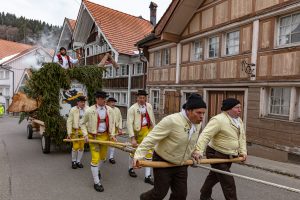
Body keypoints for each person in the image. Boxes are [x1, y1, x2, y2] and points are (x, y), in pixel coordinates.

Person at [133, 93, 207, 200]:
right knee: (159, 193)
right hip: (163, 161)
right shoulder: (172, 120)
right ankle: (144, 198)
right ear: (188, 110)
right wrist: (138, 155)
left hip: (181, 163)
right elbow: (151, 138)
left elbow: (192, 140)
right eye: (199, 112)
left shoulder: (197, 123)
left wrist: (196, 151)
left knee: (180, 195)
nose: (202, 116)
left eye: (203, 113)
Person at [192, 98, 247, 200]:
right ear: (228, 109)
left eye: (240, 107)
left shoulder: (239, 121)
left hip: (229, 154)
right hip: (216, 153)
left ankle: (204, 194)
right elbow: (205, 135)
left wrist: (243, 152)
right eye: (237, 107)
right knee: (228, 182)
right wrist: (198, 151)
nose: (240, 110)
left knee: (215, 176)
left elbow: (242, 137)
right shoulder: (218, 120)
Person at [81, 91, 116, 192]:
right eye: (101, 98)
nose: (104, 100)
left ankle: (97, 170)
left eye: (104, 98)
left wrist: (112, 135)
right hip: (94, 138)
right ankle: (96, 182)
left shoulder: (110, 110)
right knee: (95, 159)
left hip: (105, 137)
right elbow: (82, 123)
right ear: (97, 99)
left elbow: (112, 124)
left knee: (103, 157)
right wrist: (85, 135)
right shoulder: (90, 110)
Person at [127, 90, 155, 185]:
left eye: (143, 98)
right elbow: (129, 124)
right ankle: (131, 168)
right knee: (134, 151)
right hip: (137, 132)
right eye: (140, 98)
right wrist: (132, 138)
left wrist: (154, 130)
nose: (142, 99)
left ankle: (147, 176)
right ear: (137, 98)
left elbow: (152, 119)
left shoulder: (149, 106)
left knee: (149, 152)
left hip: (148, 130)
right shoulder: (132, 109)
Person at [66, 95, 88, 169]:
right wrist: (69, 133)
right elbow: (69, 121)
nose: (83, 103)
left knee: (81, 147)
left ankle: (78, 161)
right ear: (77, 102)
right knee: (75, 147)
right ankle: (73, 161)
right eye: (81, 102)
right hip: (75, 130)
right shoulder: (73, 109)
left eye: (84, 102)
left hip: (83, 131)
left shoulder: (87, 109)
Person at [106, 97, 123, 164]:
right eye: (111, 102)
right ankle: (103, 156)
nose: (113, 103)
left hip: (115, 128)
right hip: (107, 129)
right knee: (105, 142)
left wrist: (120, 128)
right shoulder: (106, 109)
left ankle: (111, 157)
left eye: (114, 102)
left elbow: (120, 118)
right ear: (108, 103)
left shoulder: (117, 109)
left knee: (113, 143)